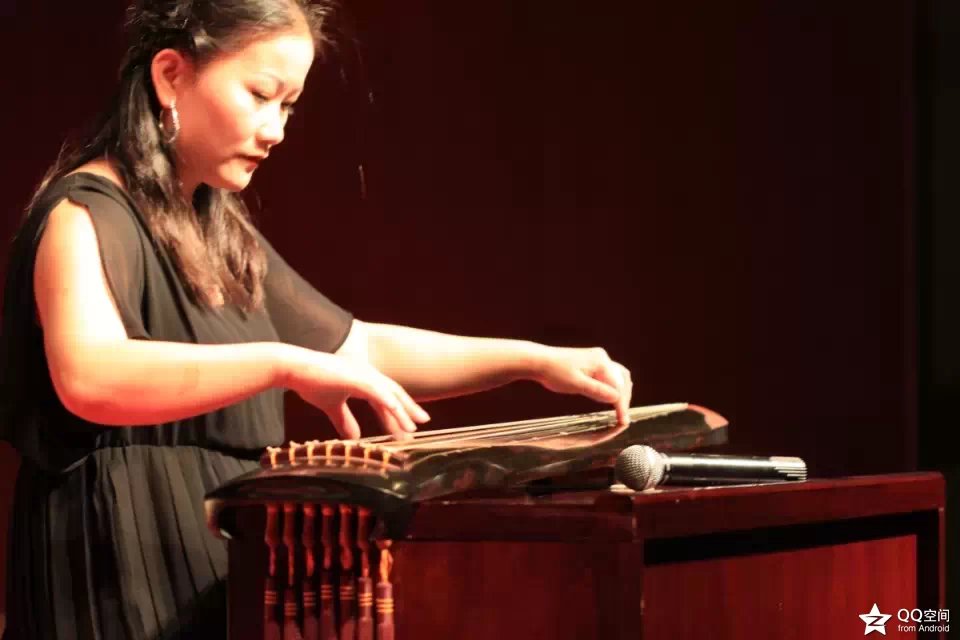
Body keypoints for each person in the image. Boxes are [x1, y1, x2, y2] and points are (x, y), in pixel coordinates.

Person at [0, 0, 633, 637]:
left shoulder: (215, 230)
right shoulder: (85, 212)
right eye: (260, 95)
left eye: (288, 106)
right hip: (118, 565)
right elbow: (90, 377)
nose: (275, 130)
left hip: (216, 564)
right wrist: (282, 365)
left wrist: (533, 361)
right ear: (171, 76)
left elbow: (356, 350)